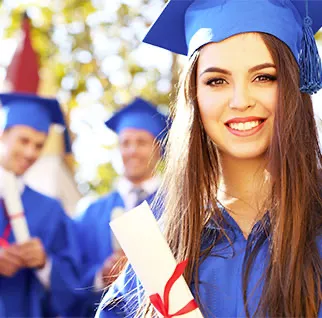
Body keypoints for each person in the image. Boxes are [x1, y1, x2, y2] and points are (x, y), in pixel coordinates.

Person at [96, 0, 322, 317]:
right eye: (217, 81)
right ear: (195, 97)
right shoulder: (158, 254)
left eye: (264, 77)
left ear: (294, 85)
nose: (241, 101)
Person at [72, 97, 168, 317]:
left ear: (159, 148)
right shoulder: (90, 212)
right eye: (125, 143)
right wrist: (99, 278)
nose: (132, 151)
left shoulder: (178, 206)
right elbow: (70, 280)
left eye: (142, 142)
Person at [0, 92, 80, 317]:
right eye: (24, 141)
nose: (30, 152)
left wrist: (44, 264)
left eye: (38, 145)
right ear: (3, 134)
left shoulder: (50, 210)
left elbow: (73, 292)